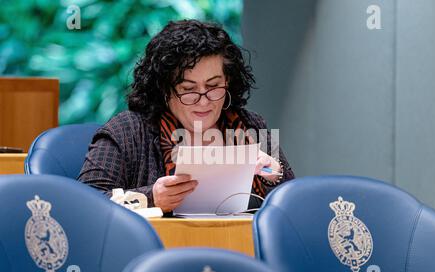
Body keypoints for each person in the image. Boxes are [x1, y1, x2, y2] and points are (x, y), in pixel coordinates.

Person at [78, 19, 294, 214]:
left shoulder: (251, 126)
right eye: (188, 89)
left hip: (239, 248)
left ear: (228, 82)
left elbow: (296, 205)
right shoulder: (127, 131)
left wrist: (276, 174)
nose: (203, 101)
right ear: (164, 89)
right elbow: (82, 203)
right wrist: (151, 198)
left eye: (213, 86)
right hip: (156, 252)